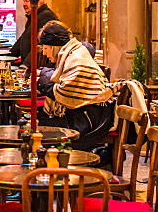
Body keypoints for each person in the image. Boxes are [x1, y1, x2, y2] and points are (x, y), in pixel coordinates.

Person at [36, 20, 114, 151]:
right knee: (35, 117)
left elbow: (65, 93)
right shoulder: (72, 53)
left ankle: (47, 161)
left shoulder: (76, 58)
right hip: (85, 114)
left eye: (45, 48)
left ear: (54, 47)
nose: (44, 53)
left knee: (33, 124)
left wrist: (42, 83)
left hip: (87, 121)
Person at [10, 0, 58, 71]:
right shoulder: (34, 16)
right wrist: (8, 57)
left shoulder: (46, 16)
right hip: (30, 64)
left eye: (27, 1)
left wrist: (26, 64)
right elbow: (23, 38)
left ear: (39, 2)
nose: (24, 4)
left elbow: (40, 44)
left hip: (39, 67)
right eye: (23, 1)